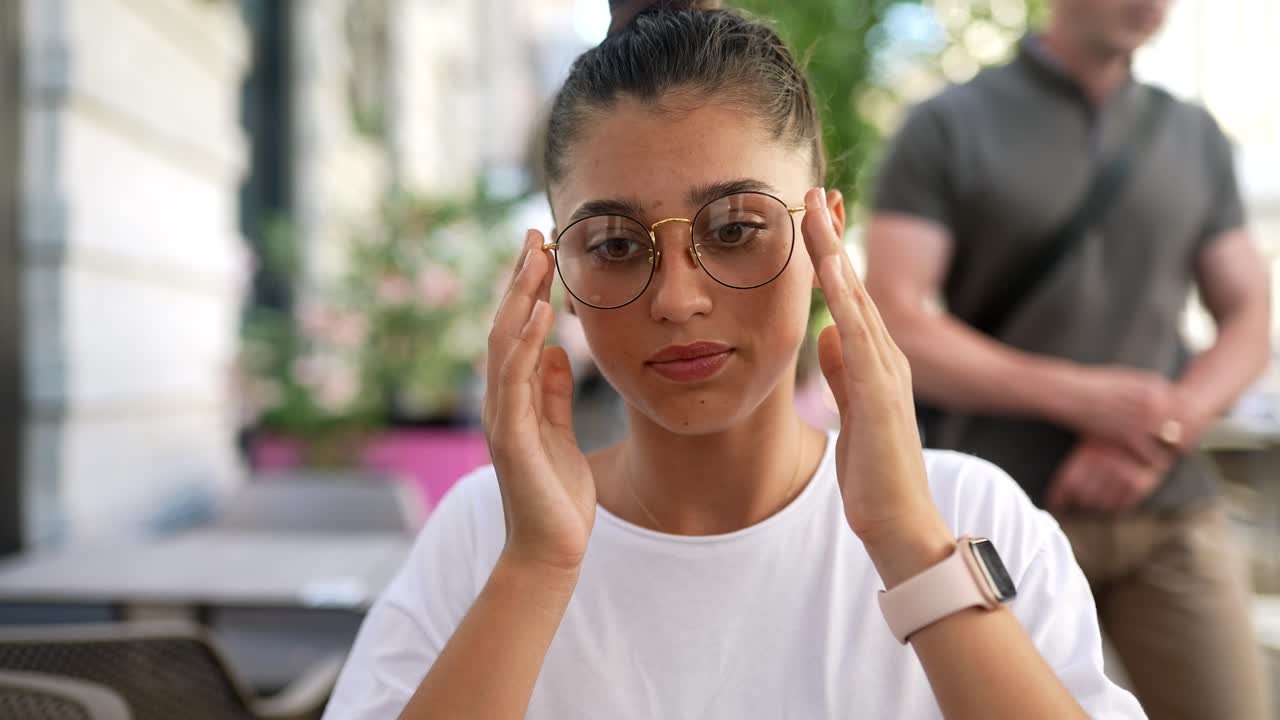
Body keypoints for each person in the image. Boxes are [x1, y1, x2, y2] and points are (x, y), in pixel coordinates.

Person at [323, 3, 1143, 718]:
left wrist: (908, 542)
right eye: (614, 244)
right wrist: (536, 568)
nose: (678, 299)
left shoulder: (968, 513)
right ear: (555, 275)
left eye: (736, 229)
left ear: (824, 235)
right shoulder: (489, 531)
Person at [864, 0, 1274, 718]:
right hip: (998, 514)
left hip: (1168, 506)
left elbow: (1250, 315)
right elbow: (893, 321)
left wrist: (1161, 430)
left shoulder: (1194, 134)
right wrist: (1086, 400)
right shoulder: (947, 124)